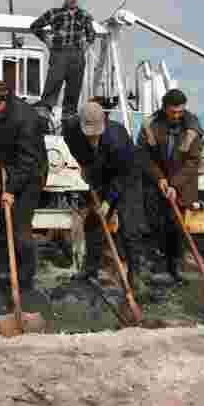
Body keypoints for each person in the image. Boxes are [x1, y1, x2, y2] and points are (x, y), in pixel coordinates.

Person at [63, 101, 149, 284]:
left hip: (126, 177)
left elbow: (122, 174)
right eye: (89, 135)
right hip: (100, 175)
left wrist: (108, 202)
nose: (93, 139)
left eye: (97, 135)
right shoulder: (71, 130)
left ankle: (135, 275)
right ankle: (90, 269)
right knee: (94, 223)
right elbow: (78, 152)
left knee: (130, 227)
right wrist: (85, 167)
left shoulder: (117, 138)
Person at [0, 78, 48, 290]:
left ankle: (26, 278)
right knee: (5, 216)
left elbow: (28, 161)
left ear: (7, 99)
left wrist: (10, 190)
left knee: (20, 225)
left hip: (31, 172)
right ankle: (8, 262)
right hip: (11, 167)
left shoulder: (26, 118)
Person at [136, 89, 204, 286]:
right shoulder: (150, 125)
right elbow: (143, 155)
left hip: (182, 183)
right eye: (173, 111)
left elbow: (193, 161)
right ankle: (159, 262)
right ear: (165, 108)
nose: (177, 115)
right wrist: (159, 178)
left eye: (180, 111)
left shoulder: (193, 128)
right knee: (156, 222)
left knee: (176, 224)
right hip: (156, 181)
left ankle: (175, 265)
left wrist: (174, 184)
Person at [27, 0, 96, 120]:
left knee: (74, 87)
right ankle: (44, 111)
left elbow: (92, 34)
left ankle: (69, 115)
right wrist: (46, 39)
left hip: (77, 54)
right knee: (53, 83)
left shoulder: (84, 15)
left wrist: (86, 45)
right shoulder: (54, 12)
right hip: (59, 53)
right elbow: (35, 26)